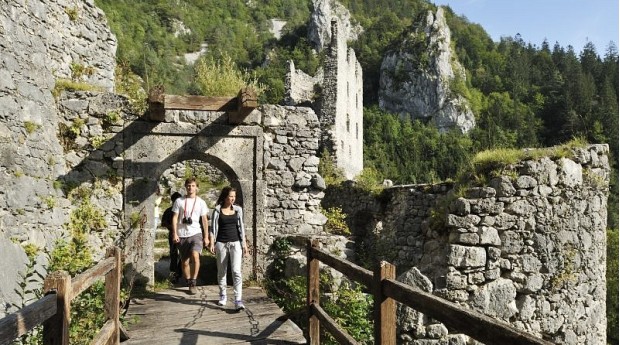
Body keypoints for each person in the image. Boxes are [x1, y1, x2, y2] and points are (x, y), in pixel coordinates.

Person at [209, 186, 248, 310]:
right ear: (225, 196)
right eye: (230, 196)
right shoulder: (217, 210)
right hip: (221, 243)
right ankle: (223, 295)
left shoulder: (238, 210)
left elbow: (241, 227)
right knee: (222, 271)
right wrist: (211, 243)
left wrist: (244, 244)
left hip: (235, 243)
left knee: (236, 271)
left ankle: (238, 299)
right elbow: (213, 229)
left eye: (234, 197)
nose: (232, 199)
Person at [171, 177, 210, 295]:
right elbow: (175, 217)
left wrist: (206, 236)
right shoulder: (179, 201)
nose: (190, 188)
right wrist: (175, 233)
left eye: (193, 186)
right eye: (188, 186)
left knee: (195, 256)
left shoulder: (201, 202)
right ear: (185, 187)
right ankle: (188, 281)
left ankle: (193, 281)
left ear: (197, 188)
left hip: (196, 233)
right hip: (182, 234)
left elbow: (204, 220)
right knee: (184, 262)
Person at [162, 192, 182, 283]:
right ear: (173, 201)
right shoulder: (168, 211)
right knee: (173, 254)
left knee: (183, 255)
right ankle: (174, 273)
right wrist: (172, 228)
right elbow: (163, 223)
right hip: (173, 235)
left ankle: (179, 271)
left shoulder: (184, 210)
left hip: (183, 234)